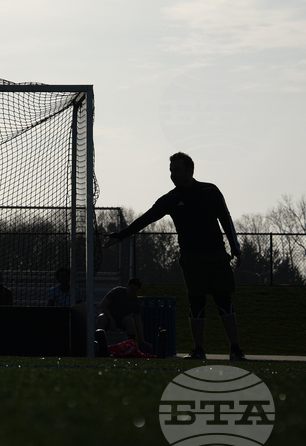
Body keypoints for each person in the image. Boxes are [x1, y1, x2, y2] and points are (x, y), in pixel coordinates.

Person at [104, 152, 246, 361]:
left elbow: (225, 217)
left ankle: (235, 349)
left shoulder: (210, 190)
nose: (173, 174)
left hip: (216, 255)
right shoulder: (171, 199)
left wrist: (235, 247)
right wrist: (120, 235)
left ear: (190, 170)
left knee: (224, 301)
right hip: (191, 258)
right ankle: (198, 350)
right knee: (196, 303)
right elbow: (145, 219)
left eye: (177, 170)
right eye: (171, 170)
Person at [95, 277, 150, 353]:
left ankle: (131, 347)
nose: (133, 291)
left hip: (121, 319)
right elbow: (103, 305)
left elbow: (138, 321)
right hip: (108, 316)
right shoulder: (117, 292)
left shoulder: (136, 302)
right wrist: (111, 320)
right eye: (131, 288)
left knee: (129, 320)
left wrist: (141, 340)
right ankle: (98, 346)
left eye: (135, 289)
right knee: (101, 318)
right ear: (127, 286)